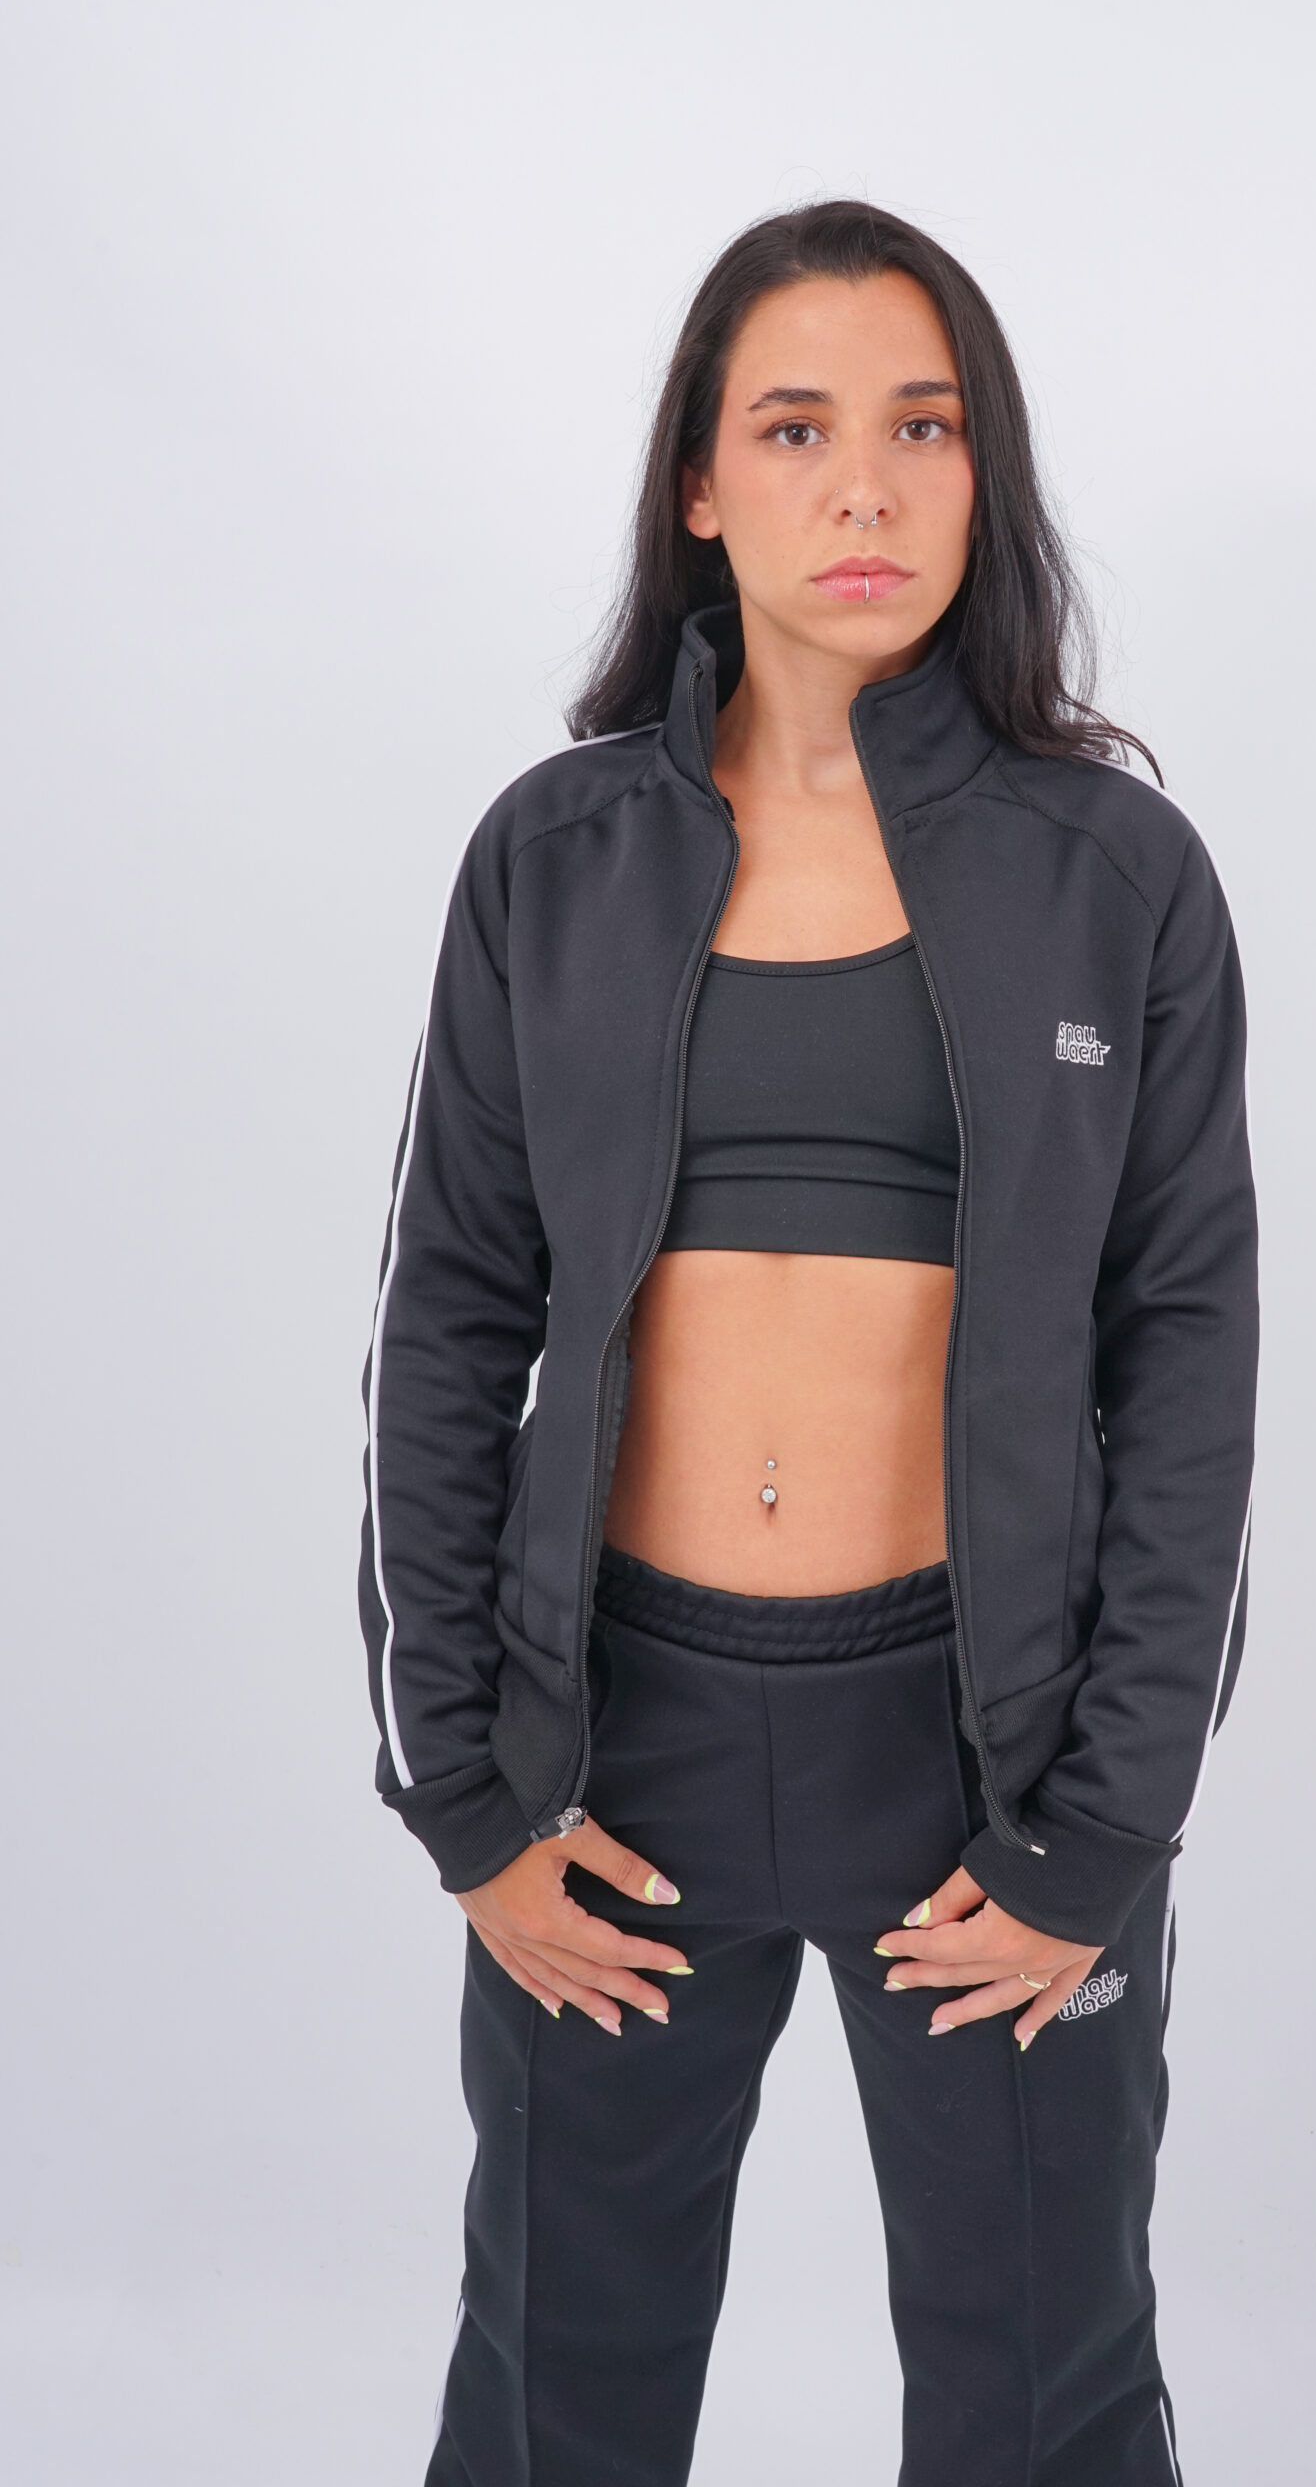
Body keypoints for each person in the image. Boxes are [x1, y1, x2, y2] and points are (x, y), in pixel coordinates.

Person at [359, 199, 1258, 2487]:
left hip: (985, 1751)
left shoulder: (1112, 873)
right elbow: (447, 1318)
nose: (863, 486)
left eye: (920, 427)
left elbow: (1184, 1361)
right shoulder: (551, 857)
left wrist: (1100, 1827)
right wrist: (467, 1795)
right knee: (552, 2391)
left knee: (1043, 2397)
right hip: (614, 1749)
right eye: (792, 428)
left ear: (982, 470)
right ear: (697, 481)